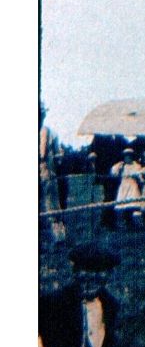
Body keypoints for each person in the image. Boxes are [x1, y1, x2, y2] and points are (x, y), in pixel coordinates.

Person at [39, 102, 67, 247]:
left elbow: (54, 155)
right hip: (46, 173)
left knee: (52, 205)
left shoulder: (48, 132)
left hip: (46, 173)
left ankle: (58, 237)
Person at [110, 148, 144, 230]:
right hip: (124, 185)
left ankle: (132, 222)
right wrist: (120, 168)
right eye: (126, 156)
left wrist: (140, 179)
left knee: (132, 203)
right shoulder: (121, 166)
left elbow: (140, 176)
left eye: (129, 156)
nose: (127, 158)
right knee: (123, 203)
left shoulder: (136, 166)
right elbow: (114, 174)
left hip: (132, 185)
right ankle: (124, 222)